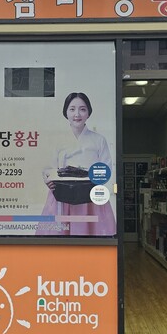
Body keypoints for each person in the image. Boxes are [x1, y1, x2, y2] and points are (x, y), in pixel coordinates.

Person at [36, 92, 116, 236]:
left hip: (90, 196)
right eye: (72, 109)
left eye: (82, 109)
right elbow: (48, 167)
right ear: (66, 112)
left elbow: (106, 167)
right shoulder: (57, 140)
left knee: (92, 237)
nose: (77, 114)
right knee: (58, 239)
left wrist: (93, 180)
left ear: (88, 113)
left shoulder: (99, 140)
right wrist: (48, 180)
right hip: (62, 195)